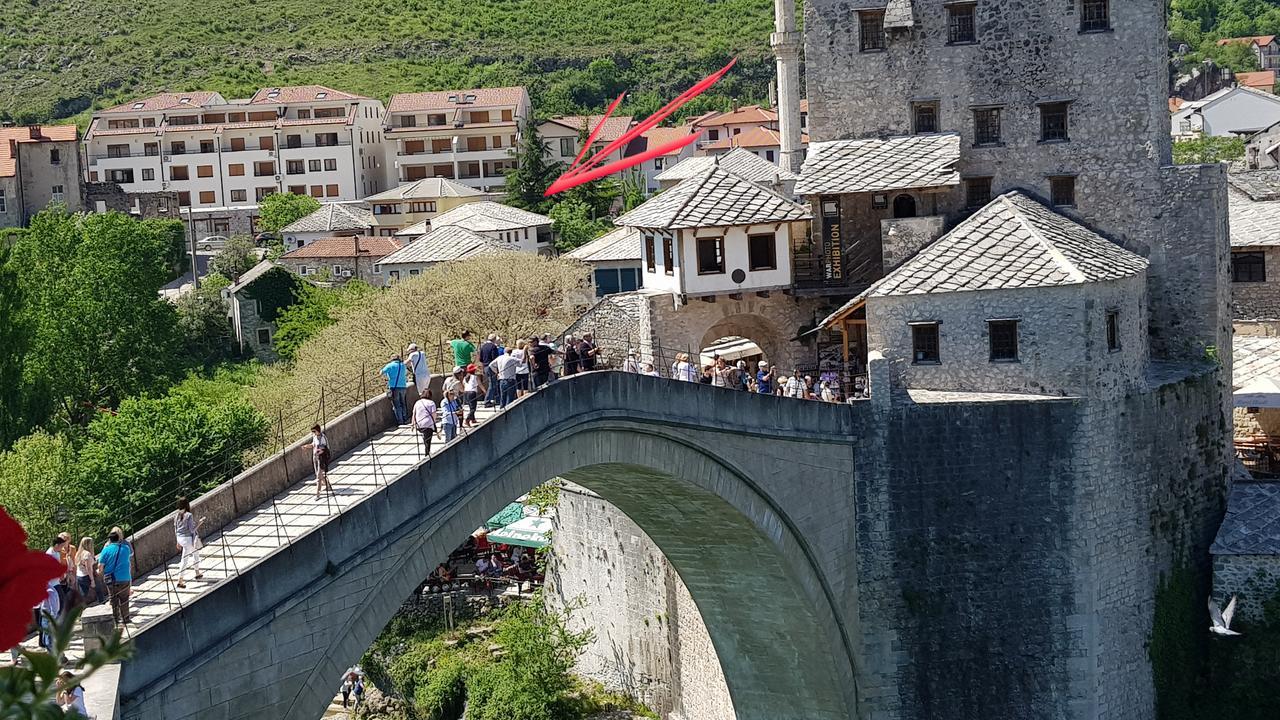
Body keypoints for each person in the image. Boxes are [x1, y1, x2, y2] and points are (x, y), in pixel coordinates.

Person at [97, 528, 132, 626]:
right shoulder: (126, 548)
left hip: (111, 579)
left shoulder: (105, 550)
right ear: (118, 538)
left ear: (110, 540)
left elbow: (100, 566)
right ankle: (126, 618)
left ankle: (115, 619)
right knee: (124, 598)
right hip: (125, 577)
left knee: (113, 598)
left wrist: (100, 573)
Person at [173, 497, 204, 589]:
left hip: (180, 538)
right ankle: (180, 579)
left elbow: (175, 529)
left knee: (194, 553)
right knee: (186, 558)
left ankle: (197, 572)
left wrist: (177, 541)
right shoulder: (189, 515)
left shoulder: (176, 515)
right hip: (187, 539)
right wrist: (200, 523)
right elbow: (192, 530)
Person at [379, 355, 410, 425]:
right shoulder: (403, 365)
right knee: (403, 403)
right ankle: (405, 418)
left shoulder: (390, 365)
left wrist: (387, 375)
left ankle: (400, 421)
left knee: (397, 405)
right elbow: (406, 373)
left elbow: (381, 372)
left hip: (394, 387)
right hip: (403, 386)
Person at [307, 425, 334, 500]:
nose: (313, 433)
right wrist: (307, 446)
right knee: (318, 474)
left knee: (318, 477)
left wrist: (319, 451)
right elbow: (313, 444)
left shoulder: (323, 438)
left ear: (318, 430)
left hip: (322, 459)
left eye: (314, 431)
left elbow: (324, 448)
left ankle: (318, 494)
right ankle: (328, 485)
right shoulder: (315, 437)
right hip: (316, 458)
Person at [412, 389, 440, 456]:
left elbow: (414, 413)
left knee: (425, 437)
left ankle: (427, 451)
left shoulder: (417, 402)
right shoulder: (431, 403)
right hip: (428, 423)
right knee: (428, 440)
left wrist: (413, 424)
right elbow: (434, 414)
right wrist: (434, 422)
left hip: (419, 423)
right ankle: (427, 453)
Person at [75, 537, 100, 605]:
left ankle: (82, 607)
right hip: (86, 575)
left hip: (79, 576)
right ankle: (101, 602)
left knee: (83, 593)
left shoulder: (78, 553)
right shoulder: (87, 554)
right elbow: (88, 568)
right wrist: (92, 580)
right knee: (98, 588)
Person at [479, 334, 500, 407]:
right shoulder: (493, 347)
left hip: (485, 366)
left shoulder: (483, 346)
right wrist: (497, 369)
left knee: (493, 383)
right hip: (491, 367)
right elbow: (495, 358)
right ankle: (487, 400)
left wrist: (482, 369)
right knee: (492, 384)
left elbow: (480, 359)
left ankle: (497, 399)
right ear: (494, 339)